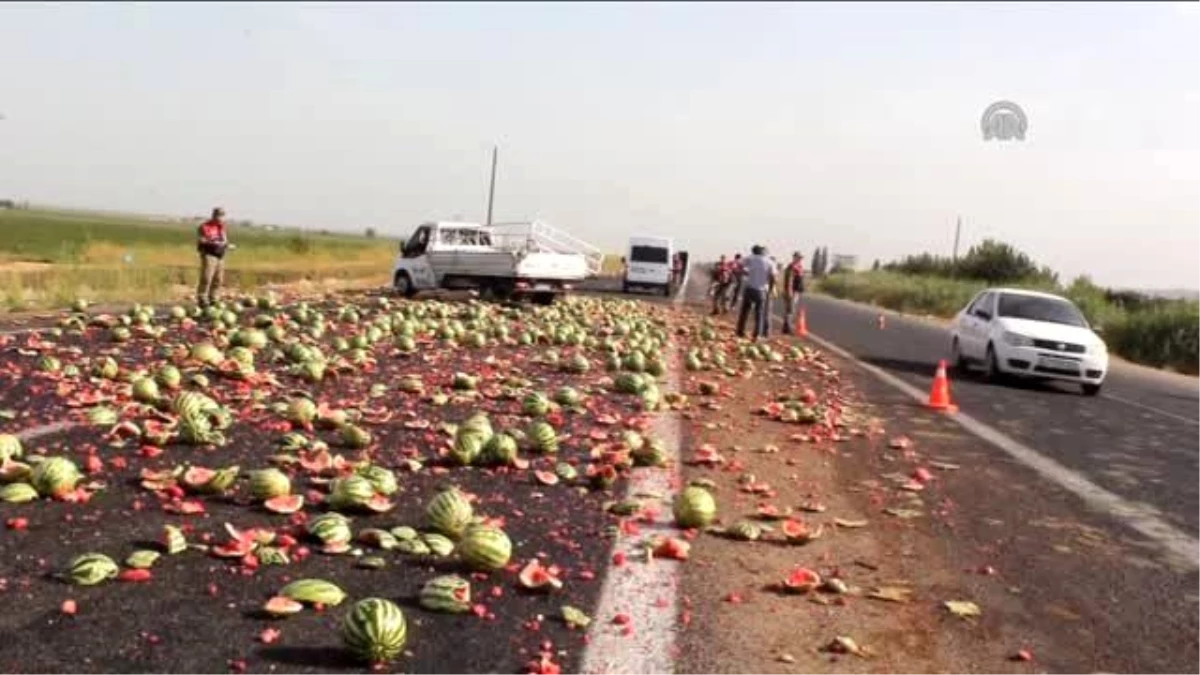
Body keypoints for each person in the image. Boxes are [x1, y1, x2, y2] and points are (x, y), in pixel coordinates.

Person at [736, 245, 776, 341]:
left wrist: (745, 272)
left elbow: (739, 264)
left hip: (749, 289)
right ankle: (756, 335)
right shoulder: (770, 262)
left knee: (744, 311)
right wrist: (771, 288)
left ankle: (740, 331)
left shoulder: (751, 258)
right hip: (761, 291)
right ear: (764, 252)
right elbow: (773, 276)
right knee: (759, 314)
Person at [196, 207, 229, 307]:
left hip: (220, 254)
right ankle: (202, 298)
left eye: (222, 216)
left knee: (218, 278)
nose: (220, 218)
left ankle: (213, 297)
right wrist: (213, 243)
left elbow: (224, 240)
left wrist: (226, 245)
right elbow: (202, 240)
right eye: (218, 215)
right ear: (213, 216)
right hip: (209, 253)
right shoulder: (205, 226)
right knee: (207, 277)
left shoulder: (221, 227)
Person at [781, 251, 806, 335]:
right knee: (790, 310)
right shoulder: (792, 267)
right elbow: (789, 280)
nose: (800, 259)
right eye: (798, 257)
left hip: (796, 291)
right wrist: (789, 291)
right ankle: (787, 328)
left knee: (790, 310)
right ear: (794, 257)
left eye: (801, 258)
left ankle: (786, 328)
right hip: (792, 291)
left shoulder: (799, 267)